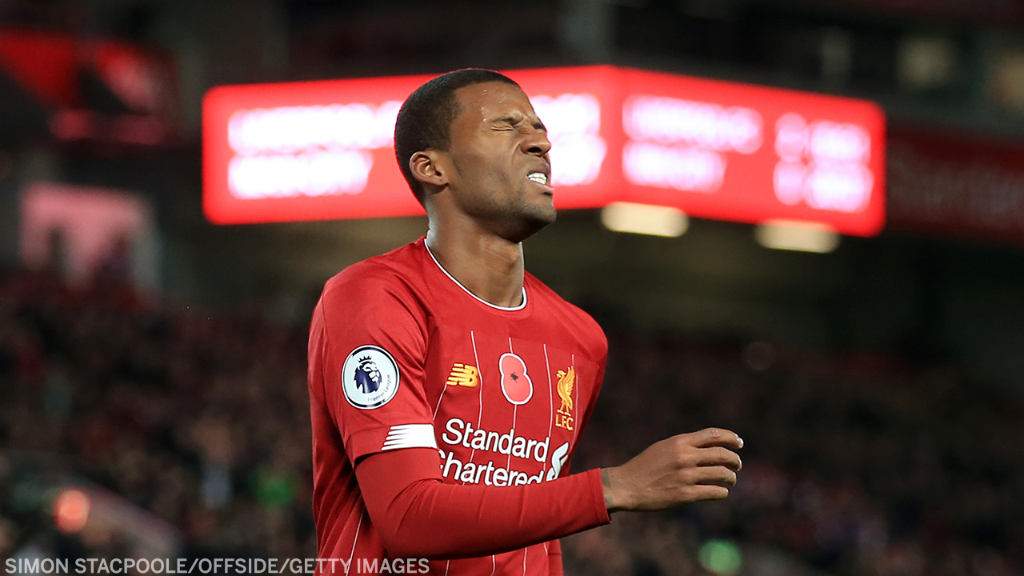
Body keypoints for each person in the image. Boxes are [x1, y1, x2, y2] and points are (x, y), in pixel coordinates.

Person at [307, 69, 744, 575]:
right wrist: (614, 487)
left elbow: (534, 524)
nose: (540, 142)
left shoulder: (581, 339)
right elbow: (408, 517)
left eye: (538, 128)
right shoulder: (376, 297)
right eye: (505, 126)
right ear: (432, 168)